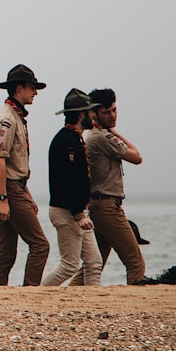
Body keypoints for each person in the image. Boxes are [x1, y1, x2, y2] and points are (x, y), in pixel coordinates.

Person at [71, 88, 146, 285]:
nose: (112, 115)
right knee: (135, 261)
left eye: (114, 110)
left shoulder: (98, 136)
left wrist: (110, 130)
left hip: (100, 205)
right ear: (94, 113)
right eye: (106, 112)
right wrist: (113, 132)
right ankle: (137, 300)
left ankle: (66, 296)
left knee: (94, 265)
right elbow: (137, 157)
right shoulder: (102, 138)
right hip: (107, 207)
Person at [0, 64, 50, 286]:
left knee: (6, 252)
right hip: (8, 188)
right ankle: (29, 294)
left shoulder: (14, 117)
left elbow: (11, 164)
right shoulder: (7, 120)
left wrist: (26, 194)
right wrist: (4, 198)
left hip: (12, 186)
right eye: (32, 87)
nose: (35, 92)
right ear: (19, 88)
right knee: (40, 245)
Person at [42, 89, 103, 286]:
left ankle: (93, 303)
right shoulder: (65, 141)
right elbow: (66, 181)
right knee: (69, 265)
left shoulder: (74, 139)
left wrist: (80, 211)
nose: (93, 115)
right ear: (81, 114)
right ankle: (37, 293)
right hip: (67, 212)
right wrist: (79, 213)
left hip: (77, 211)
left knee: (94, 262)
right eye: (90, 111)